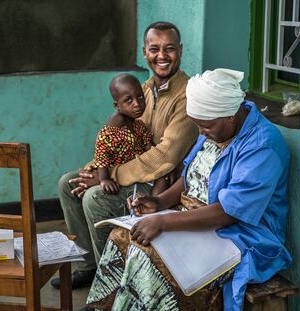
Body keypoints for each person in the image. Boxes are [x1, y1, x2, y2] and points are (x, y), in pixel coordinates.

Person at [85, 69, 292, 311]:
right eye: (198, 126)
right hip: (195, 218)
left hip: (239, 235)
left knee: (150, 257)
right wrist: (160, 203)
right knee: (121, 237)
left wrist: (163, 223)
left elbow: (230, 212)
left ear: (230, 116)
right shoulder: (216, 126)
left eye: (205, 126)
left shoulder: (262, 146)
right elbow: (191, 175)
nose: (201, 133)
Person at [51, 21, 198, 291]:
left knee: (96, 197)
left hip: (162, 181)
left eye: (169, 49)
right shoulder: (143, 89)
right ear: (145, 52)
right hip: (134, 169)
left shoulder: (188, 96)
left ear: (180, 51)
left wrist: (107, 177)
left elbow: (165, 156)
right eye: (155, 49)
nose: (161, 56)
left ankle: (111, 287)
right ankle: (89, 266)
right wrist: (94, 169)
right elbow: (114, 136)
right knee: (68, 183)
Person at [93, 73, 169, 196]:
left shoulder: (138, 126)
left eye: (140, 97)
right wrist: (104, 179)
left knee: (164, 176)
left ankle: (155, 204)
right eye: (128, 100)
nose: (137, 104)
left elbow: (149, 148)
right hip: (123, 176)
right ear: (117, 105)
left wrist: (161, 165)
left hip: (140, 171)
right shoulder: (110, 132)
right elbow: (102, 158)